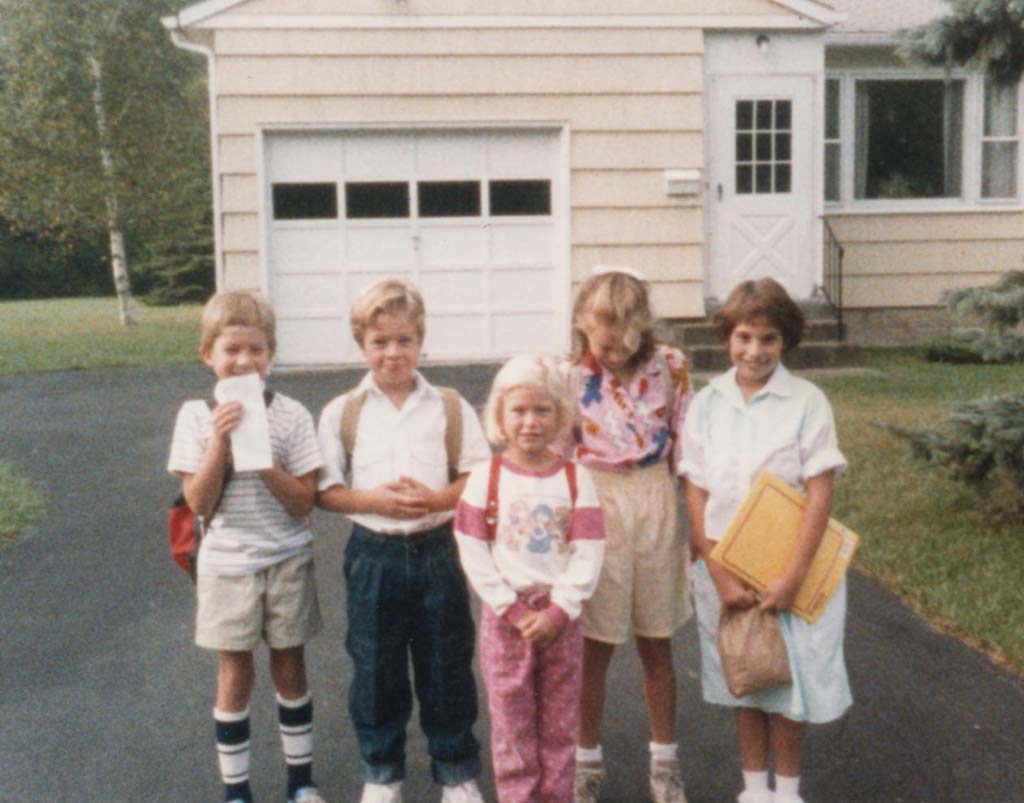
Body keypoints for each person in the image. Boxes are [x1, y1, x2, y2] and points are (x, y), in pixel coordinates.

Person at [316, 278, 490, 803]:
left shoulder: (450, 406)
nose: (394, 353)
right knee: (374, 668)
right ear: (361, 344)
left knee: (447, 665)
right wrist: (374, 502)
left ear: (421, 340)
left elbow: (478, 480)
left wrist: (438, 501)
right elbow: (325, 491)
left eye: (405, 340)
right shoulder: (342, 412)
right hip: (373, 557)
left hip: (438, 552)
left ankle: (456, 770)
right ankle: (381, 772)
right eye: (381, 342)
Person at [679, 278, 851, 803]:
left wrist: (793, 576)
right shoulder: (707, 404)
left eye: (769, 339)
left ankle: (788, 792)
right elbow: (696, 491)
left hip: (788, 566)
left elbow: (819, 495)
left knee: (791, 684)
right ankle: (754, 790)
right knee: (750, 677)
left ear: (787, 341)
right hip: (728, 568)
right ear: (727, 336)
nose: (755, 351)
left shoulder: (806, 401)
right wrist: (718, 571)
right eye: (745, 337)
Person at [167, 291, 327, 803]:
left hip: (284, 556)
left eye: (256, 350)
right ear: (208, 355)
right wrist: (220, 442)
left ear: (271, 355)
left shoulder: (292, 415)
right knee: (234, 670)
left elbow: (304, 501)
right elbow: (197, 499)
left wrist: (263, 462)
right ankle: (236, 789)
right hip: (227, 562)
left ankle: (301, 782)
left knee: (289, 663)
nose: (244, 361)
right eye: (231, 350)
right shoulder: (195, 415)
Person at [564, 267, 694, 803]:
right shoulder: (568, 376)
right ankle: (585, 764)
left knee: (655, 641)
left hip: (653, 495)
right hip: (595, 499)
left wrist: (699, 529)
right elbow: (553, 458)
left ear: (643, 323)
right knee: (593, 645)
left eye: (625, 328)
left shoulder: (670, 366)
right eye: (602, 328)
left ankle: (664, 763)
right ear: (581, 323)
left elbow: (687, 446)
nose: (614, 341)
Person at [454, 356, 606, 803]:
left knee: (559, 726)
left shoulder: (577, 479)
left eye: (542, 411)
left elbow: (588, 550)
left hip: (561, 620)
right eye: (518, 411)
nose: (530, 422)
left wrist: (561, 609)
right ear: (499, 416)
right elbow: (473, 549)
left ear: (561, 415)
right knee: (512, 726)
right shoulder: (487, 476)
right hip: (507, 620)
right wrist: (514, 609)